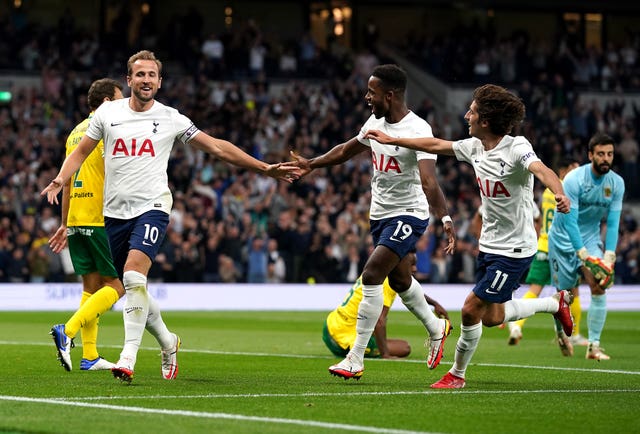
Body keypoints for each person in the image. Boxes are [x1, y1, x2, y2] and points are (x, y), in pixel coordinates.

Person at [42, 50, 300, 383]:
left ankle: (127, 357)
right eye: (140, 74)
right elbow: (80, 152)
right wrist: (61, 179)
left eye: (152, 75)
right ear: (129, 79)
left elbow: (217, 147)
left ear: (159, 81)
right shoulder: (108, 114)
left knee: (133, 278)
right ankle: (168, 341)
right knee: (133, 288)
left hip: (153, 207)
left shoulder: (171, 118)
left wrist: (265, 168)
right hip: (114, 214)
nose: (146, 80)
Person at [365, 83, 573, 389]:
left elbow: (542, 170)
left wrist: (559, 192)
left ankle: (457, 375)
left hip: (515, 248)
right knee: (493, 316)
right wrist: (392, 138)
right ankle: (555, 304)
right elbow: (435, 145)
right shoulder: (474, 148)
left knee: (470, 308)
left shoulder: (517, 148)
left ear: (485, 121)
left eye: (472, 112)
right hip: (489, 244)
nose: (467, 116)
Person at [291, 64, 457, 380]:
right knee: (399, 282)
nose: (368, 97)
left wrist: (445, 218)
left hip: (409, 214)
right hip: (379, 214)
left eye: (372, 92)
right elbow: (346, 150)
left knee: (371, 275)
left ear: (389, 95)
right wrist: (311, 164)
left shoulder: (418, 129)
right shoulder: (374, 122)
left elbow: (429, 182)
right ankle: (436, 328)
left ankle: (355, 358)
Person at [48, 78, 126, 372]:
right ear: (107, 102)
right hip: (100, 215)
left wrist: (64, 223)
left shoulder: (74, 133)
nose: (124, 104)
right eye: (120, 99)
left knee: (91, 287)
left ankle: (90, 355)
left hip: (78, 218)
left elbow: (66, 181)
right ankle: (66, 331)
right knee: (117, 287)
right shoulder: (109, 127)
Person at [547, 132, 625, 361]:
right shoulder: (573, 179)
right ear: (590, 155)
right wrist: (580, 252)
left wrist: (609, 253)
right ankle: (560, 333)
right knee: (565, 296)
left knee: (599, 286)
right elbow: (570, 219)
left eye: (609, 154)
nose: (605, 159)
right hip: (562, 239)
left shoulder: (617, 183)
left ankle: (594, 346)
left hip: (590, 238)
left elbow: (612, 222)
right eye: (600, 154)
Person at [507, 157, 584, 352]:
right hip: (562, 247)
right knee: (573, 291)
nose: (577, 175)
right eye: (574, 170)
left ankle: (517, 325)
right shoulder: (568, 194)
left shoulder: (548, 194)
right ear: (564, 172)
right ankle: (573, 335)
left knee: (535, 289)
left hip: (543, 245)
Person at [324, 252, 449, 359]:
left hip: (330, 327)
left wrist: (434, 304)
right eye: (411, 264)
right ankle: (363, 352)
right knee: (404, 348)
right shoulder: (387, 283)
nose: (415, 269)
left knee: (383, 337)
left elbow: (410, 290)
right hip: (342, 338)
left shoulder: (380, 271)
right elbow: (379, 321)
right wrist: (386, 354)